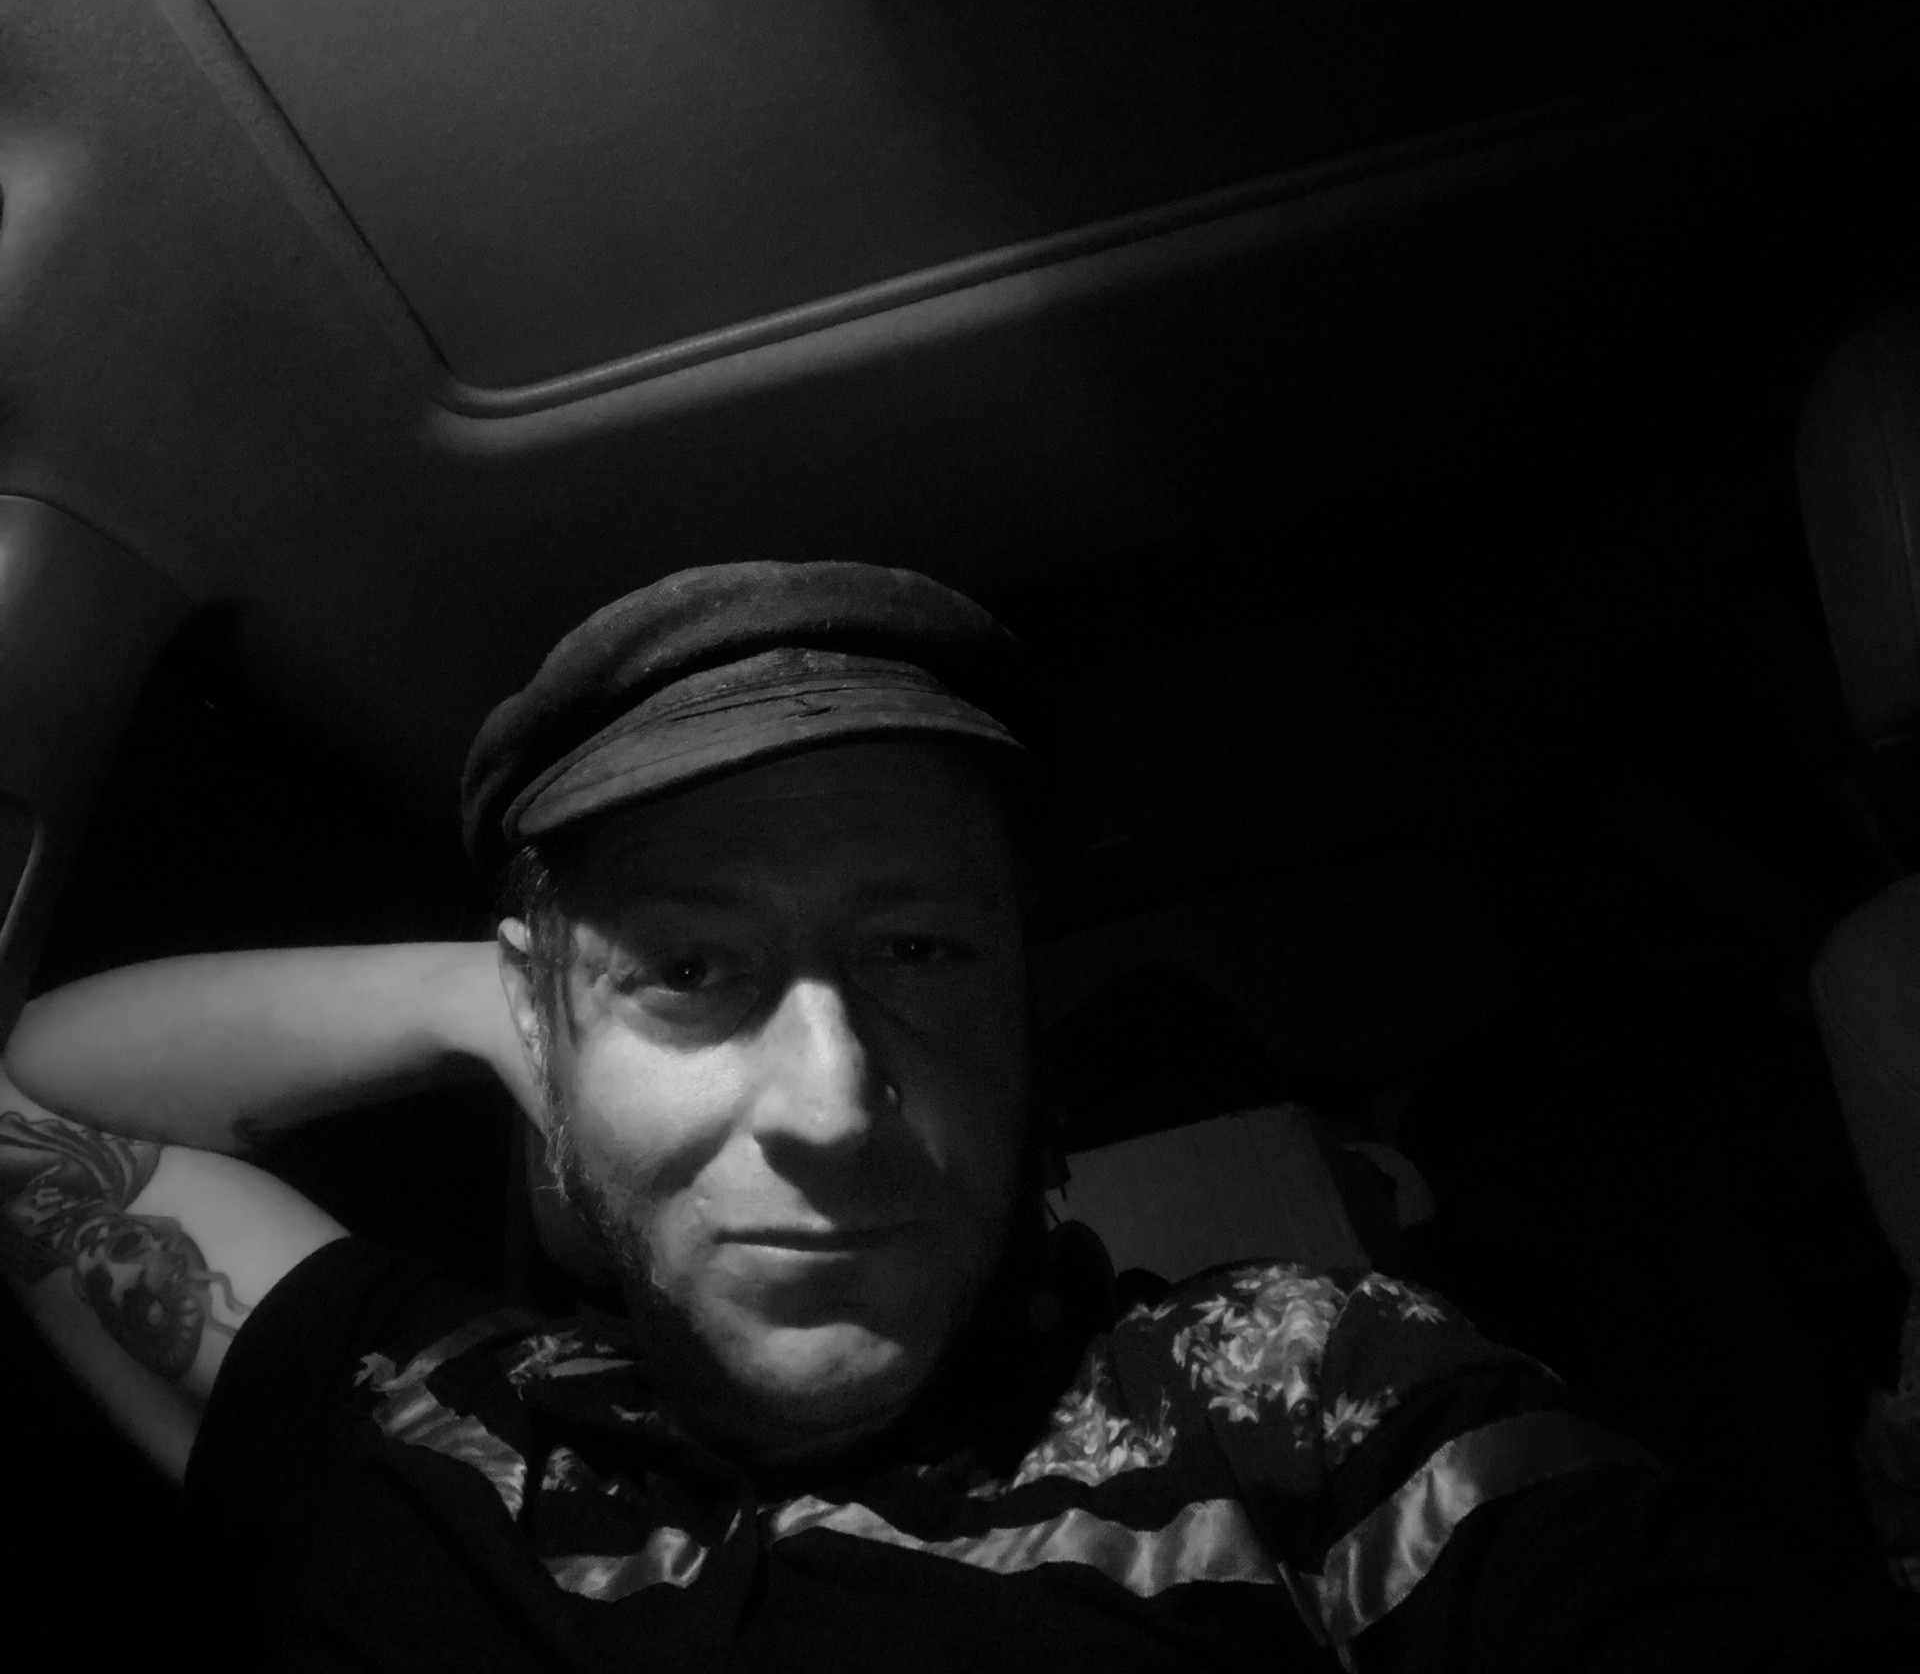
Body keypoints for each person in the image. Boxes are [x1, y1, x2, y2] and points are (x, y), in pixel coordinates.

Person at [0, 559, 1908, 1670]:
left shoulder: (1293, 1404)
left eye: (917, 952)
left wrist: (615, 994)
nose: (834, 1105)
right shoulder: (434, 1430)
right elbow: (38, 1090)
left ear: (1024, 1019)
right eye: (691, 967)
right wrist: (494, 1001)